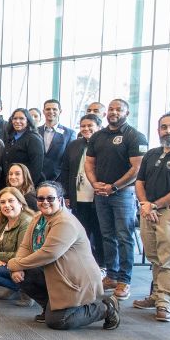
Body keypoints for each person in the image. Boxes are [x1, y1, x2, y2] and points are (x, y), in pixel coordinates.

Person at [7, 181, 120, 330]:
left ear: (60, 200)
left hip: (74, 281)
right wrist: (17, 266)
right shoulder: (38, 218)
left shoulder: (65, 222)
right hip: (55, 274)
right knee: (23, 273)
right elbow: (26, 246)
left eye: (50, 198)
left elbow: (48, 254)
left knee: (58, 322)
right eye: (40, 199)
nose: (45, 202)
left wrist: (15, 263)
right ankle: (49, 307)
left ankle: (105, 307)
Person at [84, 98, 148, 301]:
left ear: (126, 113)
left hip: (123, 195)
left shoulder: (135, 136)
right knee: (107, 235)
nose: (113, 112)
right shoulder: (98, 136)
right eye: (111, 109)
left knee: (124, 237)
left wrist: (114, 187)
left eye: (118, 109)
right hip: (101, 193)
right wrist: (95, 184)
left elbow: (137, 169)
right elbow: (89, 163)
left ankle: (124, 280)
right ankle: (111, 275)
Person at [133, 113, 170, 322]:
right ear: (158, 130)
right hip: (149, 211)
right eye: (164, 127)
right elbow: (140, 182)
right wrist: (146, 204)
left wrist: (155, 205)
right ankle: (156, 295)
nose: (168, 131)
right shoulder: (152, 154)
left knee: (167, 258)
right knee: (154, 257)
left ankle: (165, 302)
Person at [60, 114, 104, 266]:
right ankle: (82, 264)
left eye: (90, 126)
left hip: (99, 197)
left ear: (99, 127)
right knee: (81, 232)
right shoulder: (74, 145)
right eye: (83, 126)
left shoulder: (104, 144)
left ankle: (101, 264)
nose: (86, 129)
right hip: (78, 196)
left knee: (99, 233)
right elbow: (65, 169)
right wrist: (65, 194)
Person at [0, 187, 35, 298]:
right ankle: (14, 287)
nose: (6, 205)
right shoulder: (5, 221)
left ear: (20, 203)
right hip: (10, 260)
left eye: (11, 201)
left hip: (25, 265)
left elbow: (21, 254)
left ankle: (27, 291)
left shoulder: (26, 222)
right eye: (3, 202)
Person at [3, 107, 45, 184]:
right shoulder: (10, 137)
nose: (17, 121)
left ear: (28, 121)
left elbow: (36, 167)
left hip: (25, 185)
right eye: (15, 118)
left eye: (21, 118)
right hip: (11, 182)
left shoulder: (33, 139)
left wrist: (28, 185)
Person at [39, 99, 76, 183]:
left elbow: (70, 159)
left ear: (60, 111)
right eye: (48, 109)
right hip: (37, 178)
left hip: (58, 179)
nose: (51, 111)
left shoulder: (69, 133)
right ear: (43, 111)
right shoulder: (35, 132)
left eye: (54, 109)